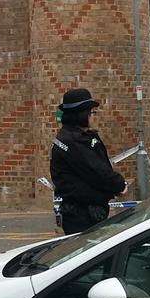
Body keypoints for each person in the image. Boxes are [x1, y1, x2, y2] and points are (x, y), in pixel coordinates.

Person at [50, 87, 127, 234]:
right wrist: (119, 185)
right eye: (91, 113)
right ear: (81, 114)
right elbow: (98, 171)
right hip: (82, 216)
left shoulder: (74, 136)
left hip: (83, 212)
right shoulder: (75, 141)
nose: (93, 117)